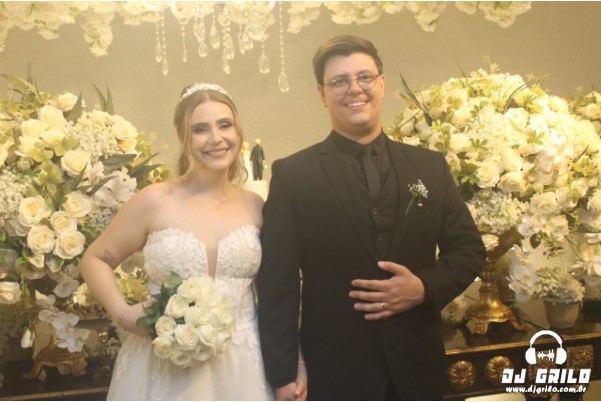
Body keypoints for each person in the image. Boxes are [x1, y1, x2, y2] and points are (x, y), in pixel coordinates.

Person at [257, 35, 486, 400]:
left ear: (381, 83)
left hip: (418, 370)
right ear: (322, 94)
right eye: (339, 81)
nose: (354, 89)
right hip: (334, 373)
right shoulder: (293, 175)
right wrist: (283, 374)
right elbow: (277, 283)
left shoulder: (429, 166)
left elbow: (469, 250)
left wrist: (423, 287)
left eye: (364, 77)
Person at [81, 82, 289, 400]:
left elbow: (272, 298)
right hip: (164, 365)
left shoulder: (256, 207)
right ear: (183, 137)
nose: (216, 138)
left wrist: (291, 364)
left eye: (225, 125)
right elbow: (95, 259)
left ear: (238, 132)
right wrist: (122, 313)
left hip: (244, 365)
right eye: (200, 129)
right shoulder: (155, 200)